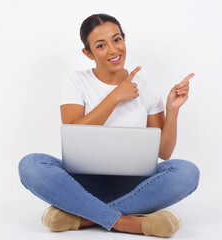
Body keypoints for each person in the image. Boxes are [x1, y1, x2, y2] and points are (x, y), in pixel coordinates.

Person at [18, 13, 200, 238]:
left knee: (187, 172)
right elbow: (75, 133)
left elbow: (164, 152)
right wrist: (114, 97)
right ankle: (124, 222)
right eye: (101, 45)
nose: (113, 51)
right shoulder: (77, 81)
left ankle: (83, 217)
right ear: (88, 53)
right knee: (30, 165)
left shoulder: (146, 86)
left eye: (117, 40)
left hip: (135, 186)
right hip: (83, 182)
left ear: (124, 40)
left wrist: (173, 111)